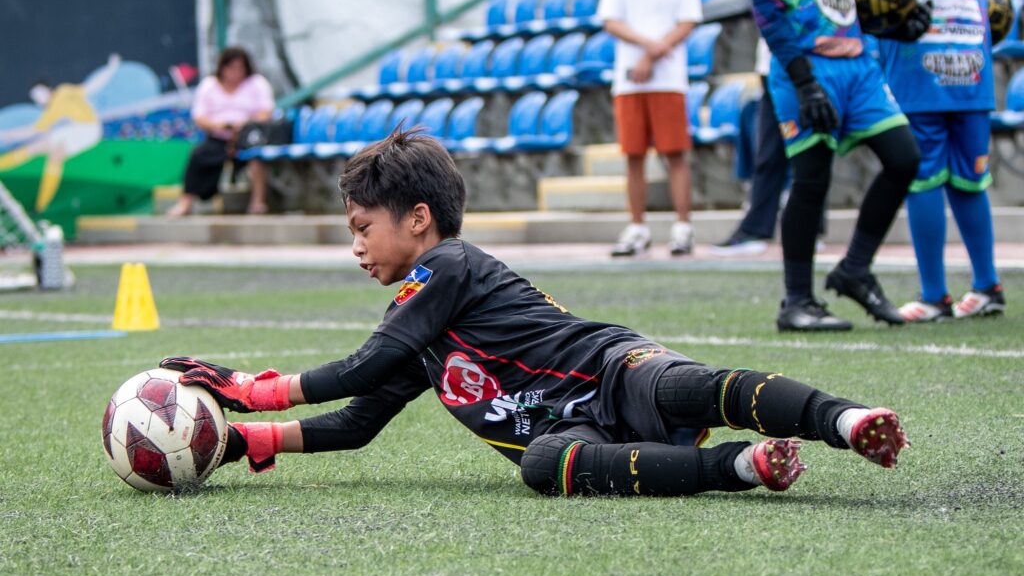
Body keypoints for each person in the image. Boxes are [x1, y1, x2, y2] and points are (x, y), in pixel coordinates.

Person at [159, 128, 910, 498]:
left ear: (418, 219)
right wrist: (239, 442)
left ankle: (845, 421)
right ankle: (740, 466)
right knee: (543, 467)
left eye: (363, 228)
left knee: (688, 387)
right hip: (571, 429)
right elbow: (359, 422)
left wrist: (251, 389)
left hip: (616, 372)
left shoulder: (445, 267)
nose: (356, 247)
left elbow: (366, 365)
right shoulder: (421, 329)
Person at [750, 0, 932, 331]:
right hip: (806, 67)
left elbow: (852, 7)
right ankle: (797, 300)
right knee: (812, 179)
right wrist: (804, 83)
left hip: (859, 66)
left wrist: (896, 26)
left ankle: (855, 270)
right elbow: (765, 9)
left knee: (904, 159)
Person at [876, 0, 1006, 321]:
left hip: (918, 76)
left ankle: (934, 296)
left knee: (924, 180)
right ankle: (987, 287)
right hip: (973, 74)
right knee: (970, 181)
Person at [597, 0, 703, 257]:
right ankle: (637, 227)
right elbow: (611, 21)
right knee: (634, 155)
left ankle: (682, 226)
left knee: (675, 154)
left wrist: (651, 53)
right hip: (629, 80)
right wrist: (649, 47)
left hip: (669, 79)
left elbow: (688, 21)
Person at [712, 40, 826, 256]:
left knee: (811, 153)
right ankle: (756, 230)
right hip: (772, 71)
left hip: (806, 69)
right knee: (768, 156)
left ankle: (810, 230)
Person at [0, 54, 121, 213]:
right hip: (75, 130)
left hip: (90, 129)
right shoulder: (50, 111)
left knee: (56, 152)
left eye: (39, 93)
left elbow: (91, 86)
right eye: (35, 97)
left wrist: (112, 68)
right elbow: (32, 131)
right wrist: (6, 134)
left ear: (47, 89)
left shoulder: (65, 91)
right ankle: (39, 203)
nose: (38, 98)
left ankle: (41, 206)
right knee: (35, 148)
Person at [167, 47, 274, 217]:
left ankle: (258, 203)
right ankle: (185, 203)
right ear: (222, 68)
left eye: (240, 68)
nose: (235, 73)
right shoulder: (209, 85)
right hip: (218, 138)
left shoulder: (256, 83)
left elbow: (266, 112)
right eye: (231, 67)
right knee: (198, 155)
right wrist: (218, 125)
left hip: (248, 137)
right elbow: (199, 116)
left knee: (256, 157)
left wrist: (244, 124)